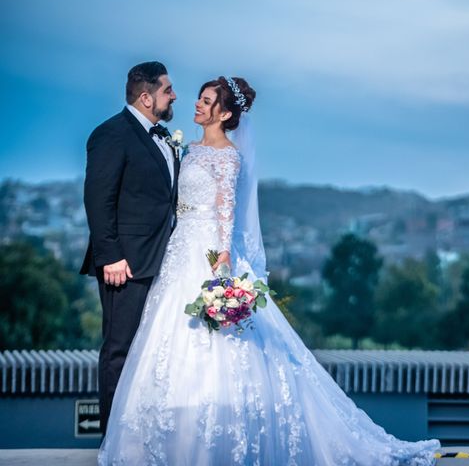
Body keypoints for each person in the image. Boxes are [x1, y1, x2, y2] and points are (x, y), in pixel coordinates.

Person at [98, 76, 440, 465]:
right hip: (177, 250)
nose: (196, 104)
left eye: (206, 101)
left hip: (207, 250)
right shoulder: (187, 148)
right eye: (199, 98)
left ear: (224, 114)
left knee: (218, 347)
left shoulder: (227, 156)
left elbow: (225, 212)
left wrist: (221, 264)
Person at [80, 61, 179, 435]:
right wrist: (111, 256)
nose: (174, 96)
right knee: (120, 350)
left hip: (165, 262)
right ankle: (112, 441)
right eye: (168, 90)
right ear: (146, 96)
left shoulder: (165, 137)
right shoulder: (111, 134)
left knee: (153, 351)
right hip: (126, 263)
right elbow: (97, 199)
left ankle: (143, 437)